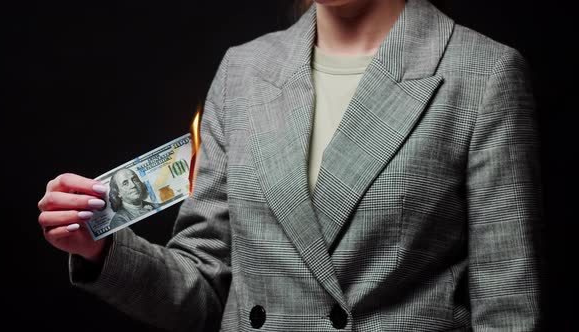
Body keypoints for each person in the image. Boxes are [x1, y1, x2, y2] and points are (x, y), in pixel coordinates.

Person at [37, 0, 544, 330]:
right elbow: (209, 289)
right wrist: (102, 249)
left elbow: (508, 309)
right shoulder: (243, 71)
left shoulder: (482, 75)